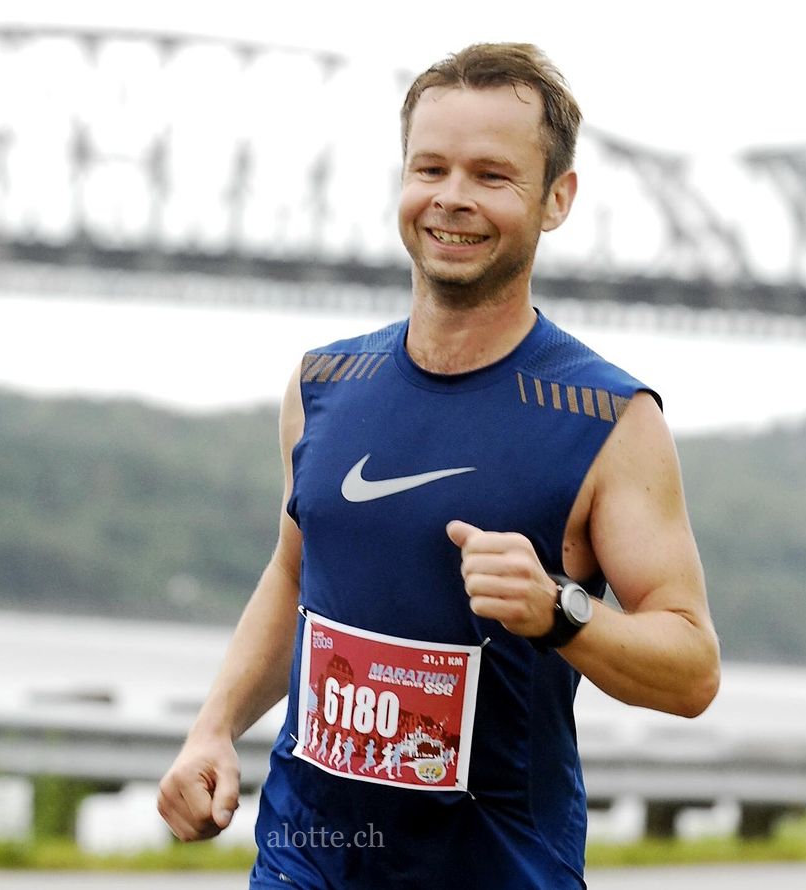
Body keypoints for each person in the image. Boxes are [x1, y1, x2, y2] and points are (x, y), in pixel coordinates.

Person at [157, 42, 720, 889]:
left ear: (557, 199)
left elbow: (692, 671)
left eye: (493, 176)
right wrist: (213, 728)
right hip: (304, 864)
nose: (452, 198)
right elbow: (295, 573)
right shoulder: (323, 384)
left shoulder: (610, 420)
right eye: (431, 168)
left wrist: (557, 609)